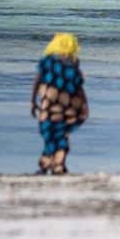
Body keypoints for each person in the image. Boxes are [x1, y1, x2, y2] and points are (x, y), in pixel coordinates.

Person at [31, 32, 89, 175]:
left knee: (49, 133)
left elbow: (37, 81)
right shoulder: (73, 65)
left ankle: (49, 163)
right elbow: (78, 87)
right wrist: (84, 106)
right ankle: (55, 164)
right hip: (66, 107)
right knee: (60, 135)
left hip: (48, 107)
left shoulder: (47, 62)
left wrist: (32, 101)